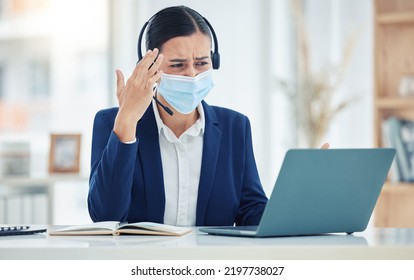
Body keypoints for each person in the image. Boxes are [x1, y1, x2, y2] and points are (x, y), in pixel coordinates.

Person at [88, 5, 268, 227]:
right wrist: (127, 122)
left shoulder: (236, 126)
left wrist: (297, 201)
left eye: (201, 63)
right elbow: (105, 216)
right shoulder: (111, 123)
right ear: (150, 67)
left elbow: (252, 211)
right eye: (177, 64)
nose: (192, 74)